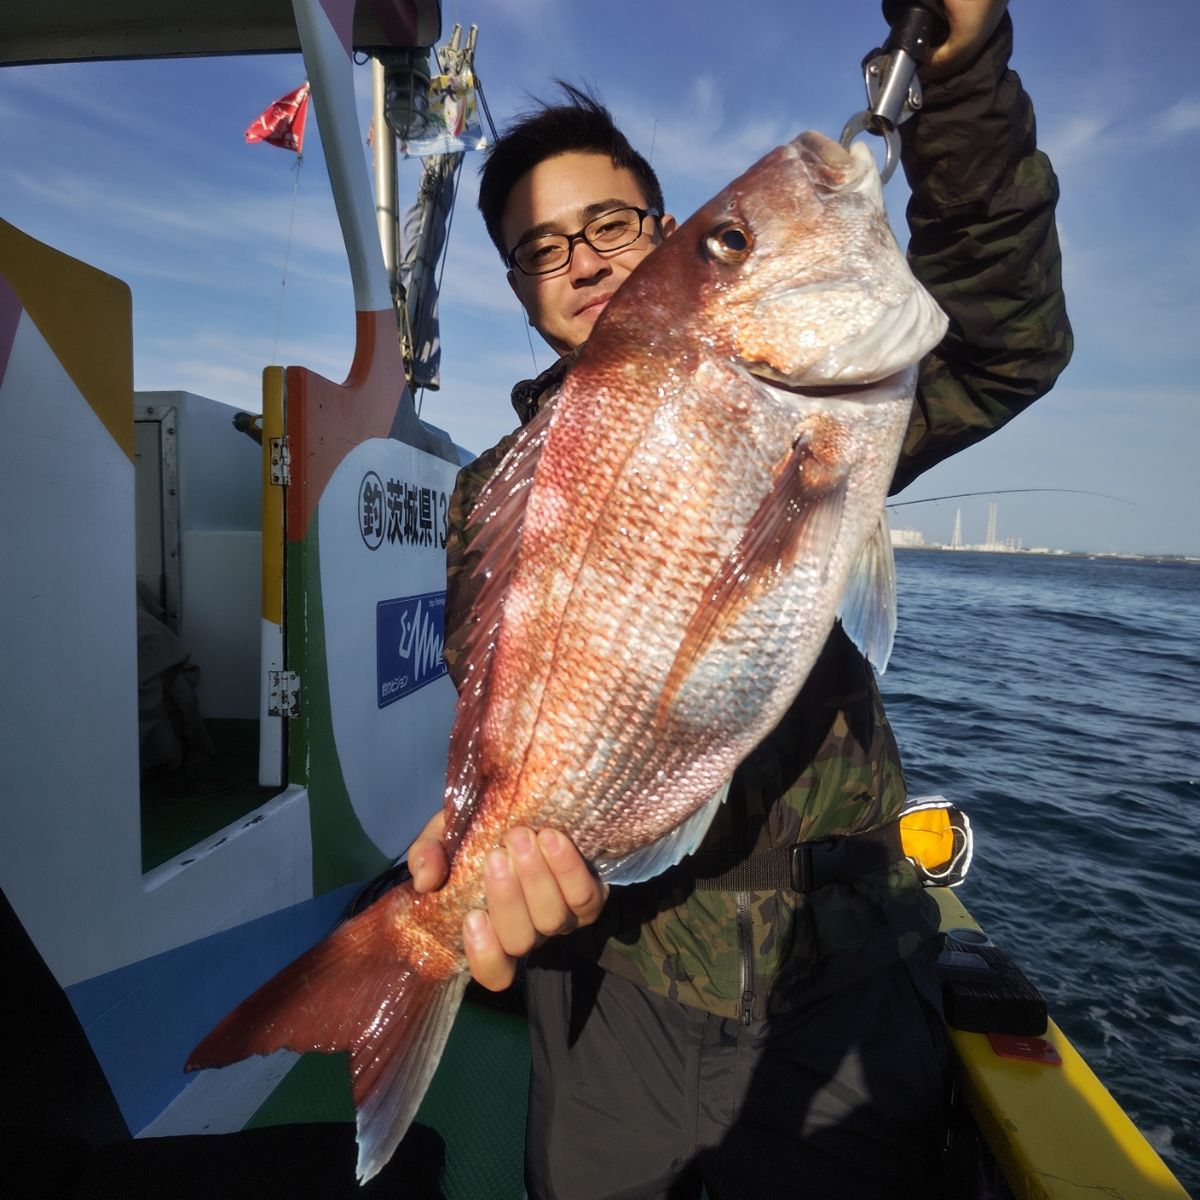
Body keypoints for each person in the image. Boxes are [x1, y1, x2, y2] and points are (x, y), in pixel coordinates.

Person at [409, 3, 1071, 1197]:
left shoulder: (812, 399)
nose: (585, 259)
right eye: (543, 248)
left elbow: (1008, 334)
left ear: (661, 234)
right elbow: (514, 717)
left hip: (840, 974)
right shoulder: (486, 496)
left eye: (611, 223)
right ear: (519, 289)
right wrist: (476, 849)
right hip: (613, 985)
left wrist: (960, 80)